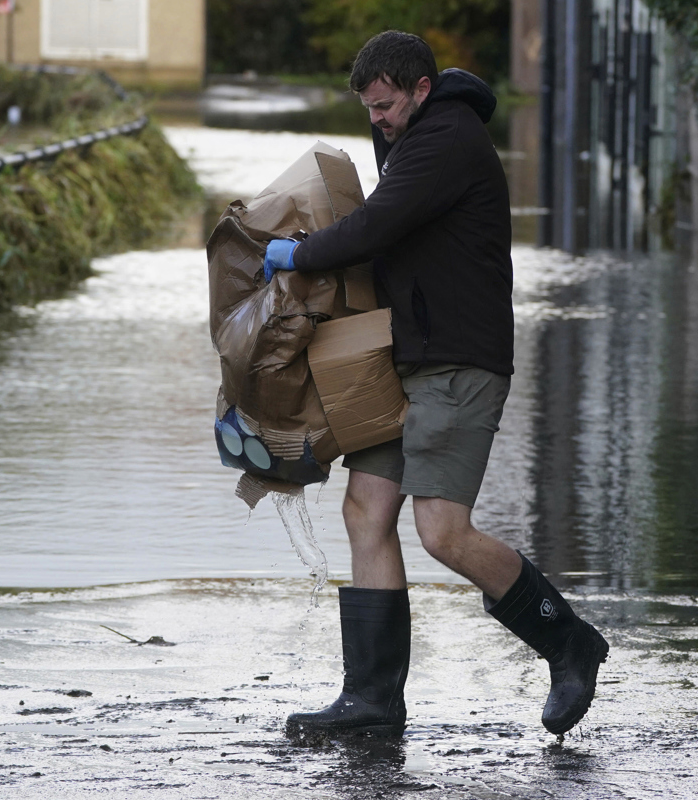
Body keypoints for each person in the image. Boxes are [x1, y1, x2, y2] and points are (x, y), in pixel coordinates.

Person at [262, 31, 609, 739]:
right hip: (409, 359)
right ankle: (372, 701)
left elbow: (375, 226)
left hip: (459, 362)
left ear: (421, 89)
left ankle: (569, 641)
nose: (377, 120)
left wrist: (297, 253)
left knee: (442, 531)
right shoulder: (414, 134)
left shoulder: (446, 138)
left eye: (386, 106)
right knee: (365, 510)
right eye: (369, 109)